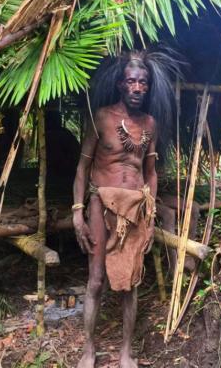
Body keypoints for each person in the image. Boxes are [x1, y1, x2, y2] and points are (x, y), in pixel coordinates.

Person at [72, 50, 180, 368]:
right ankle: (88, 350)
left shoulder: (150, 125)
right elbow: (82, 168)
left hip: (135, 210)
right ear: (121, 84)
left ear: (147, 87)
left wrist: (149, 216)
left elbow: (151, 173)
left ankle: (126, 352)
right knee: (95, 281)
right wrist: (77, 211)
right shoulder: (102, 117)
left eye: (142, 83)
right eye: (131, 81)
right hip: (100, 203)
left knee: (130, 283)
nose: (136, 87)